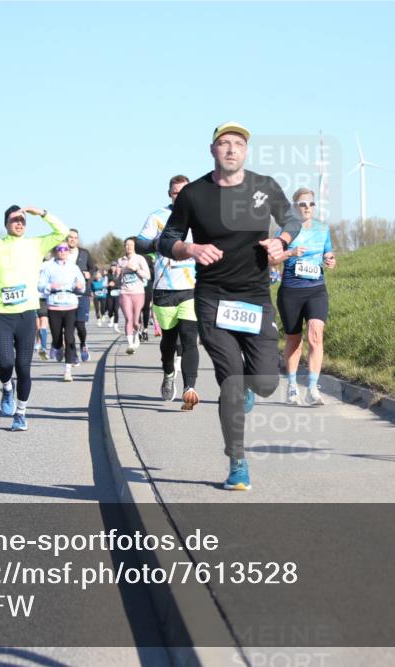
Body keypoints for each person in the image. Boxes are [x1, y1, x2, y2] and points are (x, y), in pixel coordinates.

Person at [159, 121, 302, 491]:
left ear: (246, 151)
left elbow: (291, 217)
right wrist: (190, 248)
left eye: (238, 143)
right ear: (213, 150)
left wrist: (281, 240)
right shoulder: (194, 194)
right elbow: (167, 239)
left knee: (266, 382)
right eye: (224, 143)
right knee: (232, 383)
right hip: (213, 299)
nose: (231, 149)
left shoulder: (264, 186)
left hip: (255, 297)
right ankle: (238, 463)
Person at [0, 205, 69, 431]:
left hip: (27, 313)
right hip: (1, 314)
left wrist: (42, 214)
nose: (19, 223)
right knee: (5, 363)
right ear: (6, 223)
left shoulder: (35, 244)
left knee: (23, 367)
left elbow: (62, 232)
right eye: (14, 219)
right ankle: (7, 387)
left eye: (23, 220)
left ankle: (20, 413)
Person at [136, 174, 202, 410]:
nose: (180, 197)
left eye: (184, 192)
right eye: (176, 193)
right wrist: (159, 243)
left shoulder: (200, 216)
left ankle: (189, 387)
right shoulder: (157, 216)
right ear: (169, 194)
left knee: (189, 338)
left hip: (191, 287)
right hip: (164, 288)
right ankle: (168, 372)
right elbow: (139, 244)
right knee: (169, 341)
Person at [273, 187, 336, 406]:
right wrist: (290, 252)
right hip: (291, 291)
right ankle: (292, 386)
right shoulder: (285, 231)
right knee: (294, 340)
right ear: (294, 207)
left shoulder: (323, 229)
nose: (307, 207)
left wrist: (330, 260)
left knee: (316, 335)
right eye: (302, 204)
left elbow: (329, 253)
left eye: (311, 204)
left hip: (316, 289)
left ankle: (312, 389)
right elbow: (272, 259)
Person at [38, 243, 86, 381]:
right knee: (57, 337)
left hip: (71, 305)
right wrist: (50, 286)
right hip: (54, 305)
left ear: (68, 252)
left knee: (69, 338)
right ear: (56, 251)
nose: (63, 251)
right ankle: (57, 347)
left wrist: (80, 286)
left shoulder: (73, 267)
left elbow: (82, 285)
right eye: (60, 249)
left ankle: (67, 371)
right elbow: (40, 285)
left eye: (65, 249)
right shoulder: (49, 267)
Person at [66, 228, 97, 362]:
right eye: (70, 237)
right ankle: (73, 354)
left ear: (77, 240)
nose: (72, 239)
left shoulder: (84, 253)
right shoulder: (62, 252)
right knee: (69, 327)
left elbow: (93, 268)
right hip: (67, 295)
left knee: (80, 325)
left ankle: (83, 344)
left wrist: (90, 274)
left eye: (75, 237)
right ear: (66, 239)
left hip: (82, 294)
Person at [117, 238, 151, 353]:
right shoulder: (120, 260)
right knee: (128, 318)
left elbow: (148, 276)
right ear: (124, 247)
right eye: (126, 245)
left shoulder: (140, 259)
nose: (129, 247)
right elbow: (118, 279)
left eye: (131, 245)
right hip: (125, 293)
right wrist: (118, 273)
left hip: (138, 293)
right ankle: (130, 345)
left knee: (136, 321)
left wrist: (136, 269)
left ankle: (137, 333)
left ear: (134, 246)